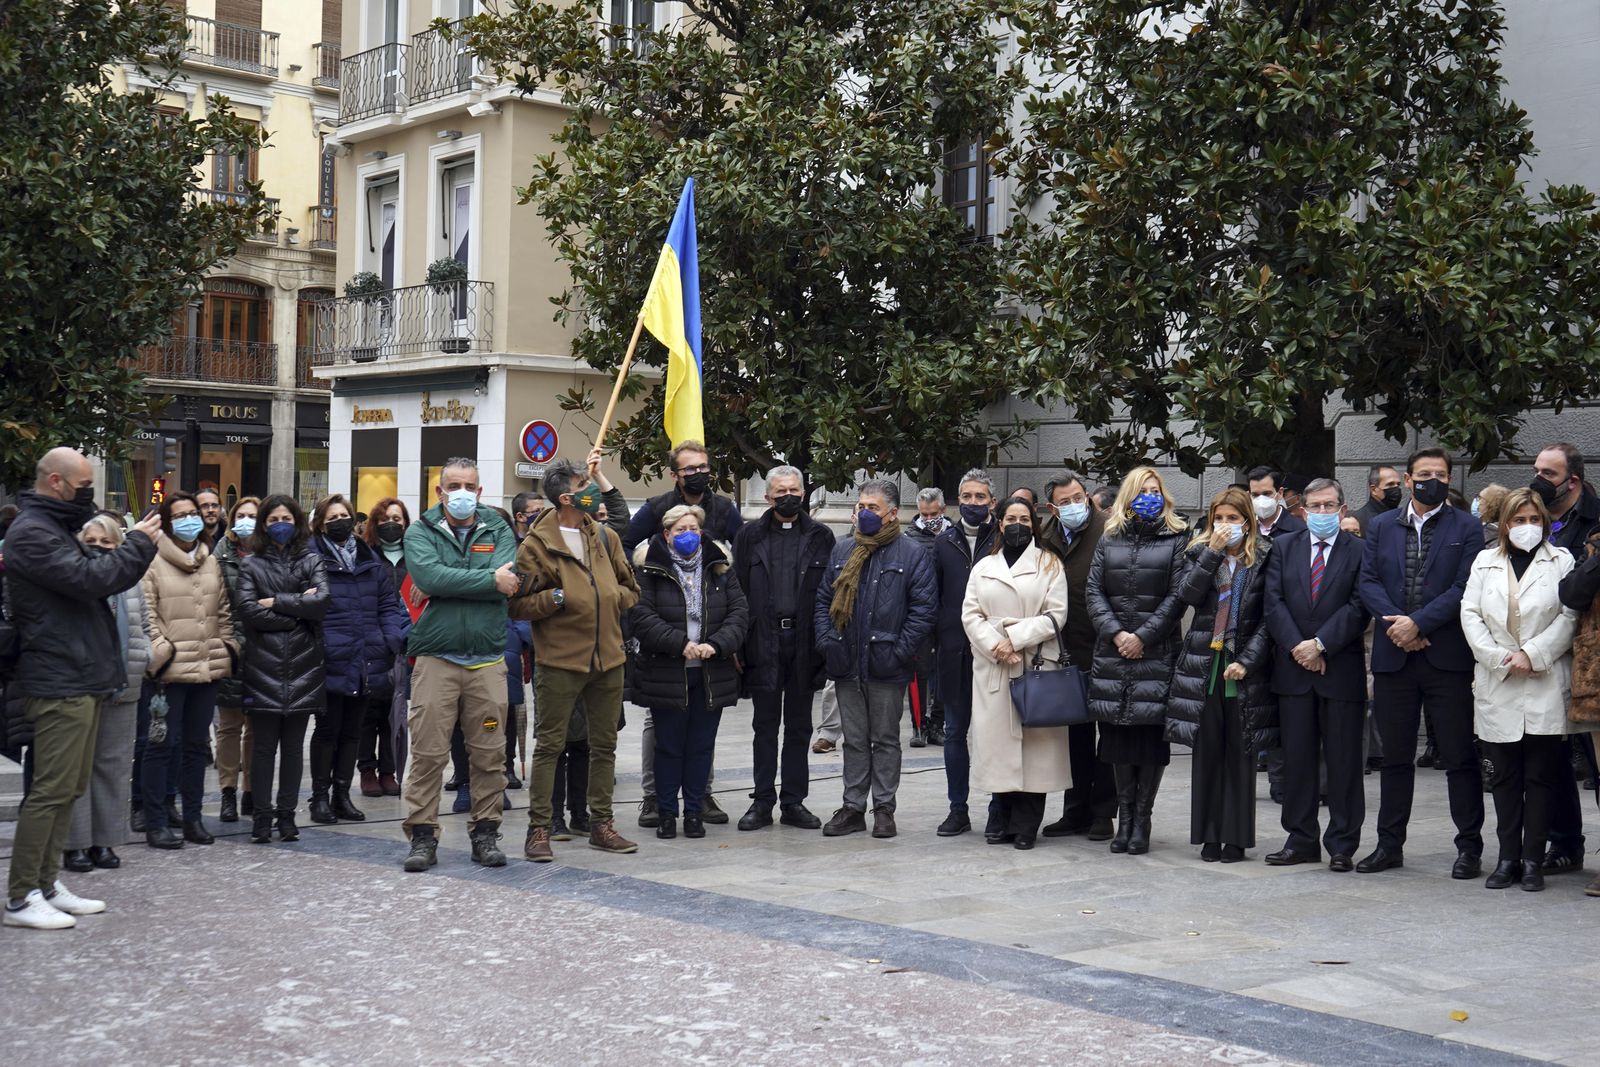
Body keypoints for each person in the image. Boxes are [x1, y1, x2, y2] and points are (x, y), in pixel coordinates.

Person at [3, 448, 159, 930]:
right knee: (51, 790)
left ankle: (47, 884)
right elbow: (92, 579)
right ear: (55, 481)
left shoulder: (55, 526)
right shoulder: (31, 533)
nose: (89, 494)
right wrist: (135, 545)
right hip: (58, 678)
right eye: (84, 484)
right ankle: (22, 894)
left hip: (80, 673)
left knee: (69, 786)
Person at [1357, 447, 1486, 877]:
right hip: (1395, 656)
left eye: (1441, 473)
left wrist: (1418, 623)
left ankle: (1469, 846)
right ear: (1409, 480)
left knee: (1458, 756)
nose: (1432, 479)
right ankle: (1389, 845)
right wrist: (1399, 626)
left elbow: (1464, 585)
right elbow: (1369, 580)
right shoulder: (1380, 526)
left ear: (1449, 479)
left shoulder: (1467, 526)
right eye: (1423, 473)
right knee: (1395, 758)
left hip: (1445, 658)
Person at [513, 458, 642, 862]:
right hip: (560, 661)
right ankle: (539, 829)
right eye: (585, 484)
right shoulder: (536, 544)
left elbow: (631, 588)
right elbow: (517, 606)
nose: (593, 490)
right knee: (550, 746)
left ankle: (601, 824)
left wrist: (608, 597)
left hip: (608, 658)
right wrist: (555, 599)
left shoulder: (604, 537)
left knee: (605, 745)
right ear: (566, 497)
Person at [398, 458, 520, 872]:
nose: (462, 492)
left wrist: (455, 581)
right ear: (439, 491)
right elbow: (430, 579)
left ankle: (485, 833)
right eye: (454, 485)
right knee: (428, 754)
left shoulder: (499, 529)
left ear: (481, 491)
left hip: (486, 659)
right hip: (437, 657)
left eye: (469, 485)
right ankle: (421, 837)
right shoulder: (420, 530)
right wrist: (487, 581)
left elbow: (510, 579)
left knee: (489, 754)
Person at [1461, 488, 1583, 892]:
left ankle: (1533, 859)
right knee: (1504, 778)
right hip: (1499, 680)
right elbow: (1470, 614)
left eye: (1534, 520)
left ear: (1545, 523)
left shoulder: (1562, 560)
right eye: (1518, 520)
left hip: (1544, 678)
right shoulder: (1485, 561)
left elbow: (1570, 616)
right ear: (1504, 525)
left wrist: (1533, 654)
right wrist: (1499, 658)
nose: (1526, 527)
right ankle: (1507, 857)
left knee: (1541, 777)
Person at [815, 478, 937, 839]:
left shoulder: (912, 553)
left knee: (884, 739)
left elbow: (923, 610)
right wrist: (828, 641)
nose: (864, 513)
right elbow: (824, 600)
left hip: (887, 663)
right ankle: (852, 807)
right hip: (846, 662)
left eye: (873, 508)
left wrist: (899, 651)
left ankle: (884, 808)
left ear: (892, 514)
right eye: (860, 507)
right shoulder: (842, 551)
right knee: (853, 739)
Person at [1262, 478, 1370, 871]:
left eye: (1330, 506)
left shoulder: (1359, 550)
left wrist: (1321, 644)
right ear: (1302, 511)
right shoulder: (1284, 547)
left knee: (1343, 762)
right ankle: (1300, 838)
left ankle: (1342, 844)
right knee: (1297, 760)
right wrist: (1299, 648)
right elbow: (1272, 602)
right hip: (1294, 671)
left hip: (1340, 670)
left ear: (1342, 509)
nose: (1322, 513)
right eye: (1315, 507)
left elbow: (1360, 605)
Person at [1166, 487, 1276, 862]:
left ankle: (1236, 837)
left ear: (1248, 521)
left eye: (1233, 518)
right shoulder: (1199, 552)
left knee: (1239, 753)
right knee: (1207, 751)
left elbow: (1269, 618)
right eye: (1220, 518)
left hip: (1242, 665)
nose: (1226, 525)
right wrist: (1212, 552)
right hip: (1205, 664)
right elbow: (1188, 597)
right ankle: (1209, 834)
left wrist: (1248, 659)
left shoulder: (1264, 556)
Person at [1086, 466, 1189, 856]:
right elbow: (1094, 591)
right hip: (1114, 653)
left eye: (1155, 490)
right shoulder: (1109, 537)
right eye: (1143, 490)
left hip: (1155, 654)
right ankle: (1123, 817)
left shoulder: (1178, 537)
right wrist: (1117, 634)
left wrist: (1143, 637)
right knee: (1115, 740)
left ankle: (1142, 819)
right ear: (1128, 497)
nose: (1150, 496)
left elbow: (1178, 596)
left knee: (1148, 741)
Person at [630, 505, 749, 838]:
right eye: (680, 529)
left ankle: (694, 812)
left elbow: (739, 613)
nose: (688, 535)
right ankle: (667, 813)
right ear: (666, 535)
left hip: (710, 671)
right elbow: (641, 616)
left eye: (693, 528)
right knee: (668, 746)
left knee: (701, 746)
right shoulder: (649, 569)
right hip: (667, 671)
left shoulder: (720, 567)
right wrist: (679, 643)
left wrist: (717, 644)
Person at [962, 496, 1070, 849]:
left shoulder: (1050, 564)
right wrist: (995, 644)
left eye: (1024, 519)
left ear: (1034, 523)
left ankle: (1027, 825)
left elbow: (1057, 615)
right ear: (1000, 521)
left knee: (1035, 750)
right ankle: (1001, 817)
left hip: (1034, 663)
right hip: (994, 665)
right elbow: (970, 615)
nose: (1017, 525)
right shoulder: (983, 566)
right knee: (997, 747)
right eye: (1011, 517)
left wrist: (1014, 638)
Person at [732, 465, 835, 831]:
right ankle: (762, 802)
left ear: (803, 494)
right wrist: (738, 645)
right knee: (764, 725)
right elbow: (738, 592)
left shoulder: (822, 536)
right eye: (780, 491)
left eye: (793, 490)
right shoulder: (748, 536)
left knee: (799, 727)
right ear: (768, 496)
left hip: (805, 643)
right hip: (763, 641)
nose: (787, 496)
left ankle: (794, 801)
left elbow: (829, 594)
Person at [141, 489, 238, 850]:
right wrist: (162, 652)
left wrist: (228, 645)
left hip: (208, 667)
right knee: (161, 745)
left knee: (197, 747)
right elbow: (146, 614)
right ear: (167, 522)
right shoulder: (153, 562)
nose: (188, 520)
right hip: (168, 673)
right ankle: (156, 820)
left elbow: (223, 611)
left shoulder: (209, 560)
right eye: (180, 514)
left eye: (192, 513)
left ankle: (194, 818)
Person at [233, 497, 330, 844]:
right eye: (273, 518)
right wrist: (297, 612)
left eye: (286, 517)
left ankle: (287, 817)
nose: (280, 523)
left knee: (292, 750)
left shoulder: (311, 559)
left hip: (305, 665)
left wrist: (276, 602)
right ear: (263, 523)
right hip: (264, 666)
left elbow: (320, 603)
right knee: (263, 748)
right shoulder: (251, 565)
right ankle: (262, 817)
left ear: (297, 521)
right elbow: (246, 610)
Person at [60, 515, 153, 874]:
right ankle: (76, 845)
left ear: (119, 546)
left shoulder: (132, 582)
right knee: (78, 770)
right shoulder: (74, 580)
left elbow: (143, 626)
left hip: (124, 683)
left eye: (107, 542)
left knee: (113, 768)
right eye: (92, 540)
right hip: (82, 684)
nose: (99, 547)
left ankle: (105, 842)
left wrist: (145, 655)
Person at [311, 494, 409, 825]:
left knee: (352, 731)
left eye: (345, 515)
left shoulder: (369, 559)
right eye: (332, 516)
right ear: (320, 524)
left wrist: (389, 639)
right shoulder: (311, 557)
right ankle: (320, 797)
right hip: (329, 657)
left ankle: (342, 795)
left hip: (367, 657)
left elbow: (388, 605)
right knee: (327, 731)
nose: (339, 521)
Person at [1527, 443, 1600, 879]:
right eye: (1535, 469)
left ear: (1572, 480)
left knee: (1594, 760)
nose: (1538, 479)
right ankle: (1565, 842)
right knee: (1550, 755)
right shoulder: (1531, 520)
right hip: (1544, 653)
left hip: (1588, 655)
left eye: (1547, 473)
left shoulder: (1594, 521)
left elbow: (1575, 591)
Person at [1037, 470, 1115, 841]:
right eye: (1064, 501)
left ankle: (1104, 813)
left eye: (1078, 497)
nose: (1073, 506)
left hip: (1107, 648)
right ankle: (1075, 810)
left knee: (1109, 737)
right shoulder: (1045, 535)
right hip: (1065, 652)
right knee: (1075, 738)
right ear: (1052, 506)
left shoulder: (1110, 529)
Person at [931, 469, 999, 837]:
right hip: (954, 653)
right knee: (955, 732)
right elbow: (934, 598)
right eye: (967, 496)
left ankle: (998, 808)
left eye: (980, 497)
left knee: (994, 734)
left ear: (992, 501)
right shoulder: (944, 542)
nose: (973, 503)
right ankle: (958, 809)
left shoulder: (1004, 538)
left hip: (996, 654)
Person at [358, 497, 410, 797]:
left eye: (397, 518)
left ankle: (389, 770)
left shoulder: (415, 556)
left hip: (403, 644)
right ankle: (367, 768)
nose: (392, 524)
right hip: (371, 643)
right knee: (370, 710)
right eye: (385, 519)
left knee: (395, 711)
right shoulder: (366, 555)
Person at [212, 496, 258, 823]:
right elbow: (215, 603)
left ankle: (251, 791)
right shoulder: (221, 555)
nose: (245, 521)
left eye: (252, 516)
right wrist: (229, 642)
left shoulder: (271, 555)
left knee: (256, 727)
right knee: (229, 727)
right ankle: (227, 790)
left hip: (263, 650)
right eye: (240, 515)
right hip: (231, 649)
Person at [622, 439, 743, 552]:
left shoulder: (725, 508)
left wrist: (727, 572)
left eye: (702, 467)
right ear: (674, 475)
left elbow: (745, 550)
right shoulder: (656, 507)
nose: (698, 473)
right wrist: (646, 568)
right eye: (690, 469)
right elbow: (624, 545)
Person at [904, 486, 948, 748]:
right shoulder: (909, 538)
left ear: (942, 509)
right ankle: (918, 726)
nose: (930, 517)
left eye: (934, 512)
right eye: (924, 513)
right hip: (919, 615)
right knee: (918, 672)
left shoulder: (954, 534)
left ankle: (937, 724)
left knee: (944, 671)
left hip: (948, 613)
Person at [1352, 464, 1404, 536]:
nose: (1396, 489)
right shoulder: (1359, 521)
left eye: (1398, 484)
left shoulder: (1403, 518)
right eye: (1390, 484)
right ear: (1374, 490)